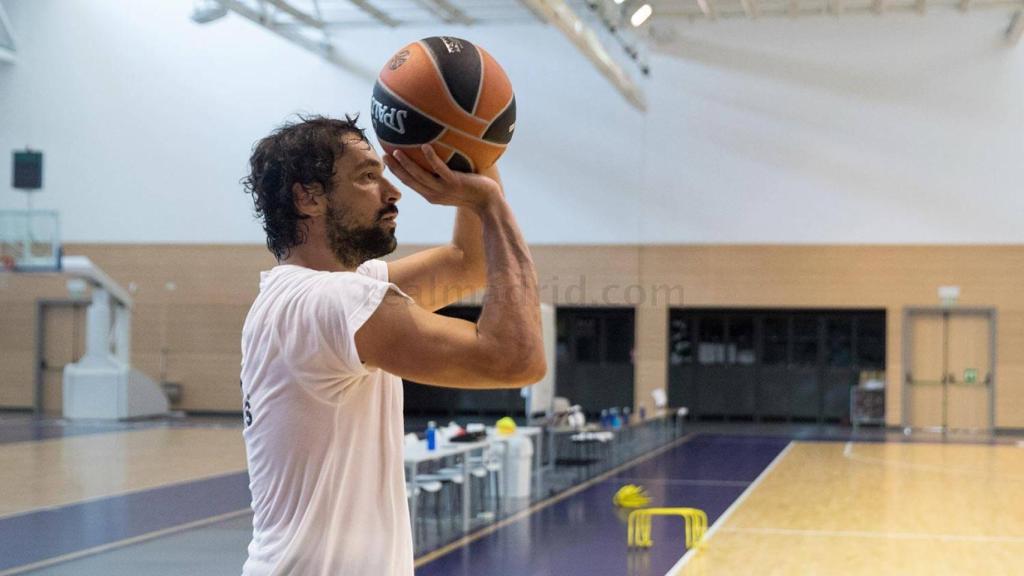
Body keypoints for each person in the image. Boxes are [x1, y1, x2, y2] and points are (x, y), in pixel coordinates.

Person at [239, 115, 545, 576]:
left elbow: (469, 263)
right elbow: (516, 359)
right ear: (309, 198)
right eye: (367, 176)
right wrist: (490, 205)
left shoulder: (316, 293)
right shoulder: (333, 301)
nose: (393, 191)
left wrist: (475, 147)